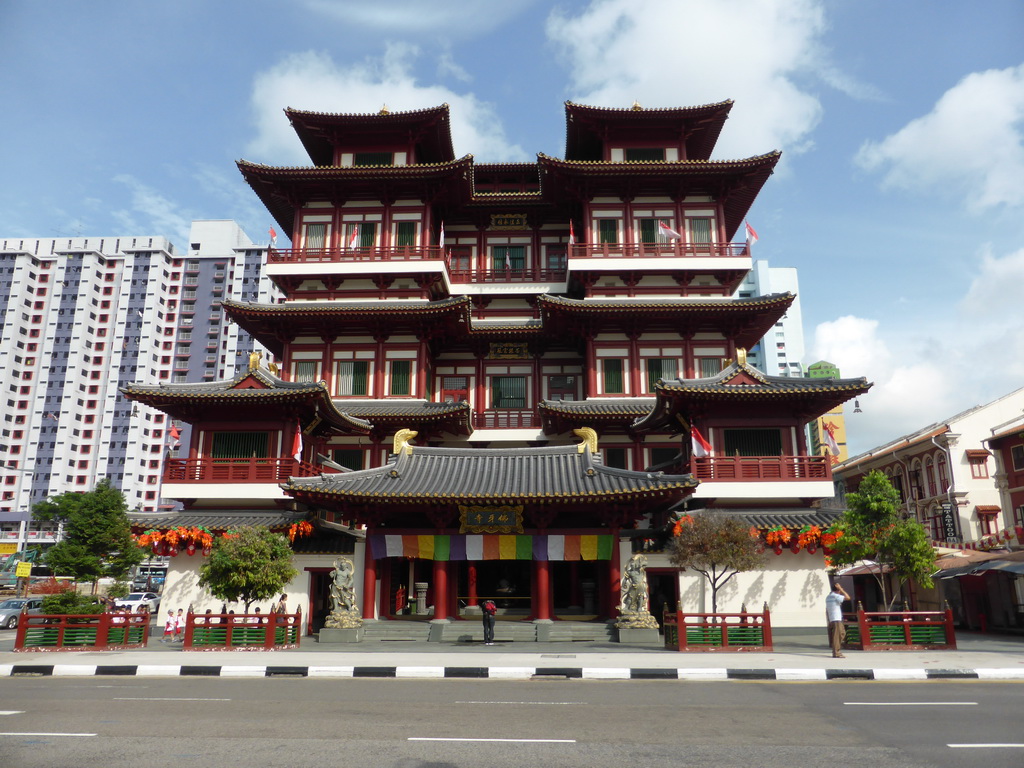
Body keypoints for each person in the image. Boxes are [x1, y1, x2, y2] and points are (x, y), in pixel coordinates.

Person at [825, 582, 851, 658]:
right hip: (836, 619)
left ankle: (836, 649)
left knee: (842, 633)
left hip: (833, 618)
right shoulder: (835, 596)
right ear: (837, 590)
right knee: (837, 636)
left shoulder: (828, 596)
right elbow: (848, 597)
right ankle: (836, 652)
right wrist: (841, 590)